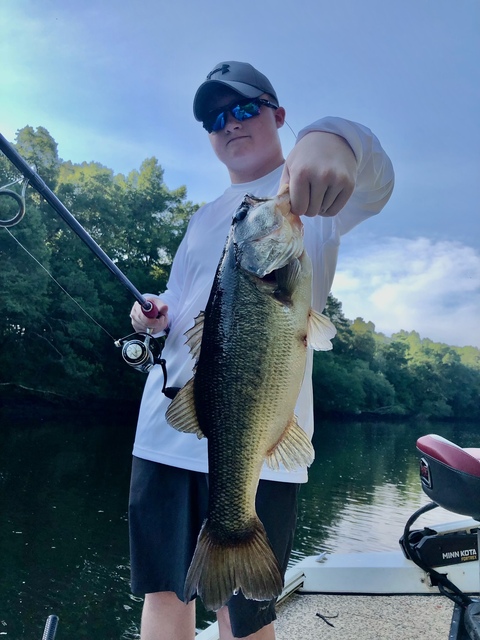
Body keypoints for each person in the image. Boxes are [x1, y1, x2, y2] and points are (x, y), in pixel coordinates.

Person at [129, 61, 394, 640]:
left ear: (279, 115)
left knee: (245, 612)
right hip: (167, 427)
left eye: (244, 108)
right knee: (162, 591)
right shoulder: (202, 221)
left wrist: (332, 139)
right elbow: (180, 298)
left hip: (262, 433)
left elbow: (375, 178)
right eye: (215, 118)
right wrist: (153, 312)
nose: (230, 124)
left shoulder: (309, 196)